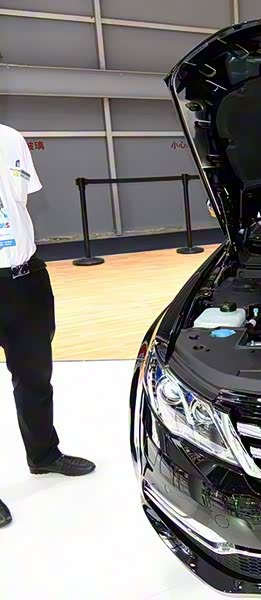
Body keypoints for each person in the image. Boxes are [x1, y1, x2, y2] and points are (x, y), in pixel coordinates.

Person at [0, 124, 95, 528]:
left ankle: (44, 454)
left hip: (24, 276)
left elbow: (18, 201)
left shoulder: (10, 138)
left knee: (35, 375)